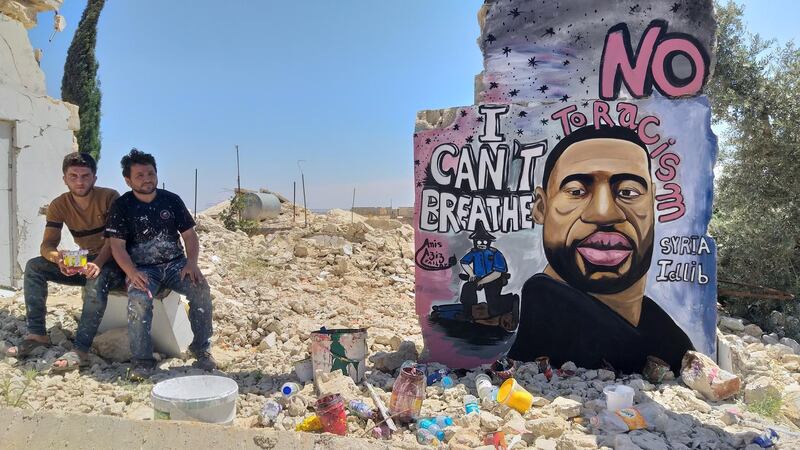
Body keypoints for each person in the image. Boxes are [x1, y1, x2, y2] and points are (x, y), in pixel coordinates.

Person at [507, 125, 693, 374]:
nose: (604, 213)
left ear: (652, 206)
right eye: (576, 191)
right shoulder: (548, 308)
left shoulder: (666, 337)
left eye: (628, 192)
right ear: (541, 208)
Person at [3, 152, 125, 371]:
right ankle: (37, 334)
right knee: (34, 267)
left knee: (96, 279)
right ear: (65, 178)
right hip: (87, 260)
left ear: (95, 178)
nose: (80, 181)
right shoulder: (59, 205)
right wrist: (57, 259)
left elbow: (114, 240)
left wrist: (96, 263)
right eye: (74, 176)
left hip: (115, 262)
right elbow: (47, 245)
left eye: (85, 176)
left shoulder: (109, 197)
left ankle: (81, 350)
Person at [105, 149, 215, 380]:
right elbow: (117, 246)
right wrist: (131, 272)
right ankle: (142, 360)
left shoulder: (171, 200)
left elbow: (189, 236)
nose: (147, 179)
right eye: (140, 175)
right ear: (128, 180)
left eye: (150, 173)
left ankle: (201, 349)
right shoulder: (122, 206)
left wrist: (192, 264)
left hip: (176, 265)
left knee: (201, 290)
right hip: (143, 269)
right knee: (138, 299)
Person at [459, 221, 509, 320]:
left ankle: (498, 310)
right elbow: (464, 262)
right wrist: (471, 274)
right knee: (468, 288)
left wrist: (482, 282)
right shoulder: (474, 252)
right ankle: (468, 313)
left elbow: (497, 273)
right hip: (478, 278)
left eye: (484, 241)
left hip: (493, 279)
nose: (481, 244)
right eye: (478, 241)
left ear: (489, 241)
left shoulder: (495, 253)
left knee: (493, 298)